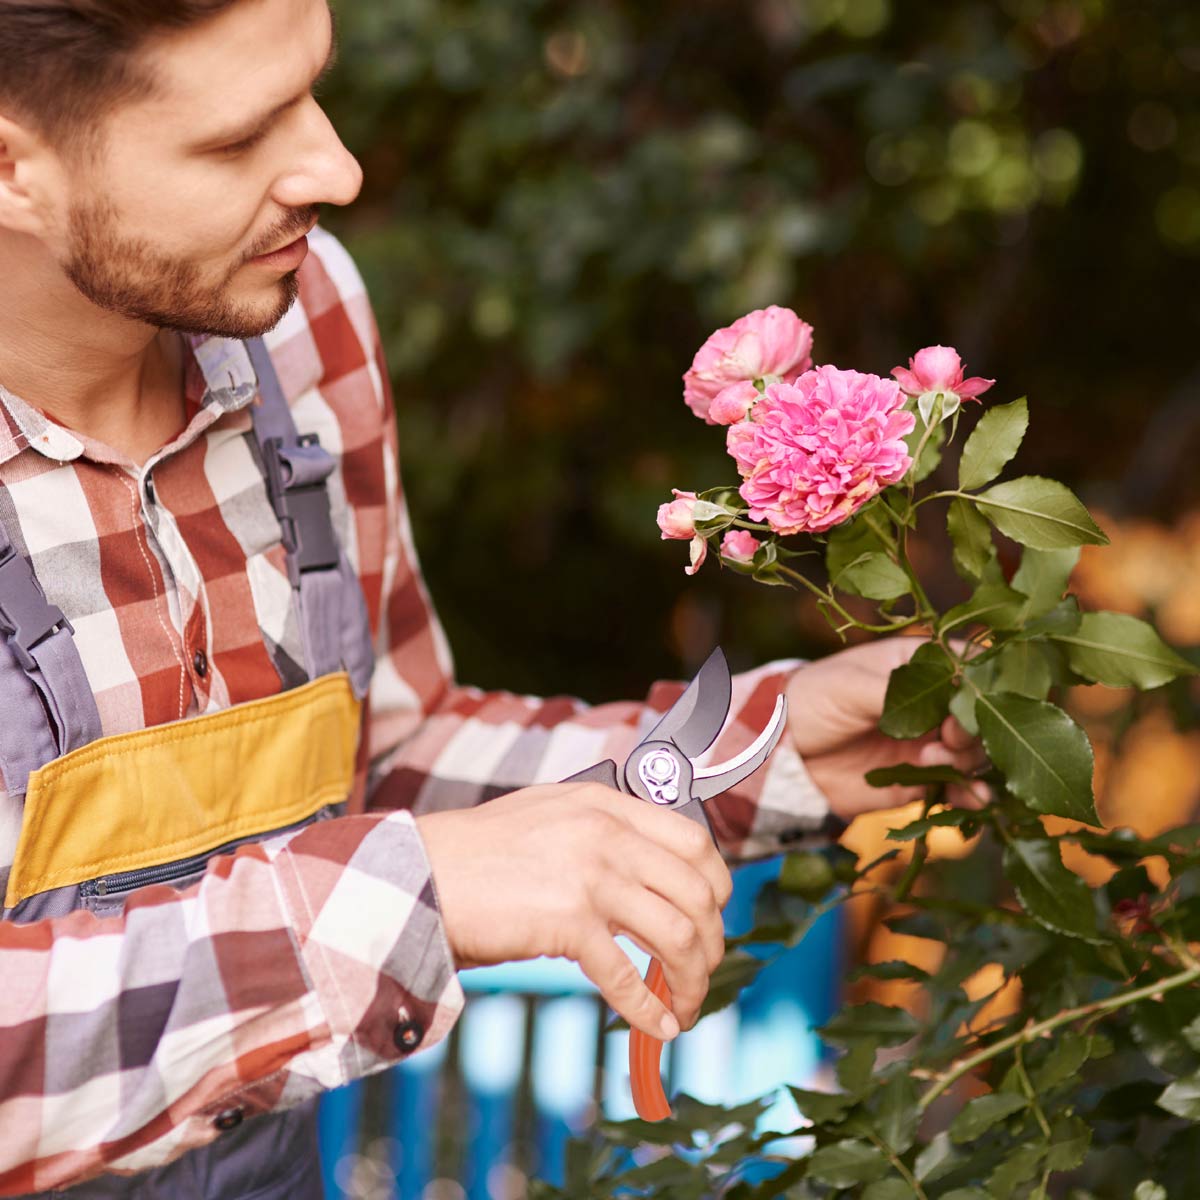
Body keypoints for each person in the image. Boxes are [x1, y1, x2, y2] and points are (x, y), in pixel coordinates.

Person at [0, 0, 982, 1195]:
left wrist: (743, 761)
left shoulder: (301, 322)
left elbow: (381, 757)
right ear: (12, 164)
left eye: (314, 88)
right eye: (236, 139)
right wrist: (402, 895)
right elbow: (403, 867)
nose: (337, 169)